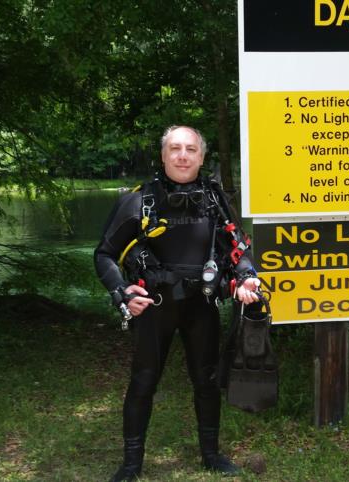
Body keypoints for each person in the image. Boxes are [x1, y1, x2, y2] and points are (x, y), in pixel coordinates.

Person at [94, 125, 260, 481]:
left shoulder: (215, 200)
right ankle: (131, 465)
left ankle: (212, 455)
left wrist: (246, 277)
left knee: (207, 380)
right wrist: (122, 293)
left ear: (201, 157)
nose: (182, 156)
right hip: (155, 305)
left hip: (201, 305)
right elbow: (104, 254)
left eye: (190, 150)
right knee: (143, 381)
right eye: (175, 149)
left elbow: (238, 248)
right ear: (163, 155)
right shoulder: (139, 201)